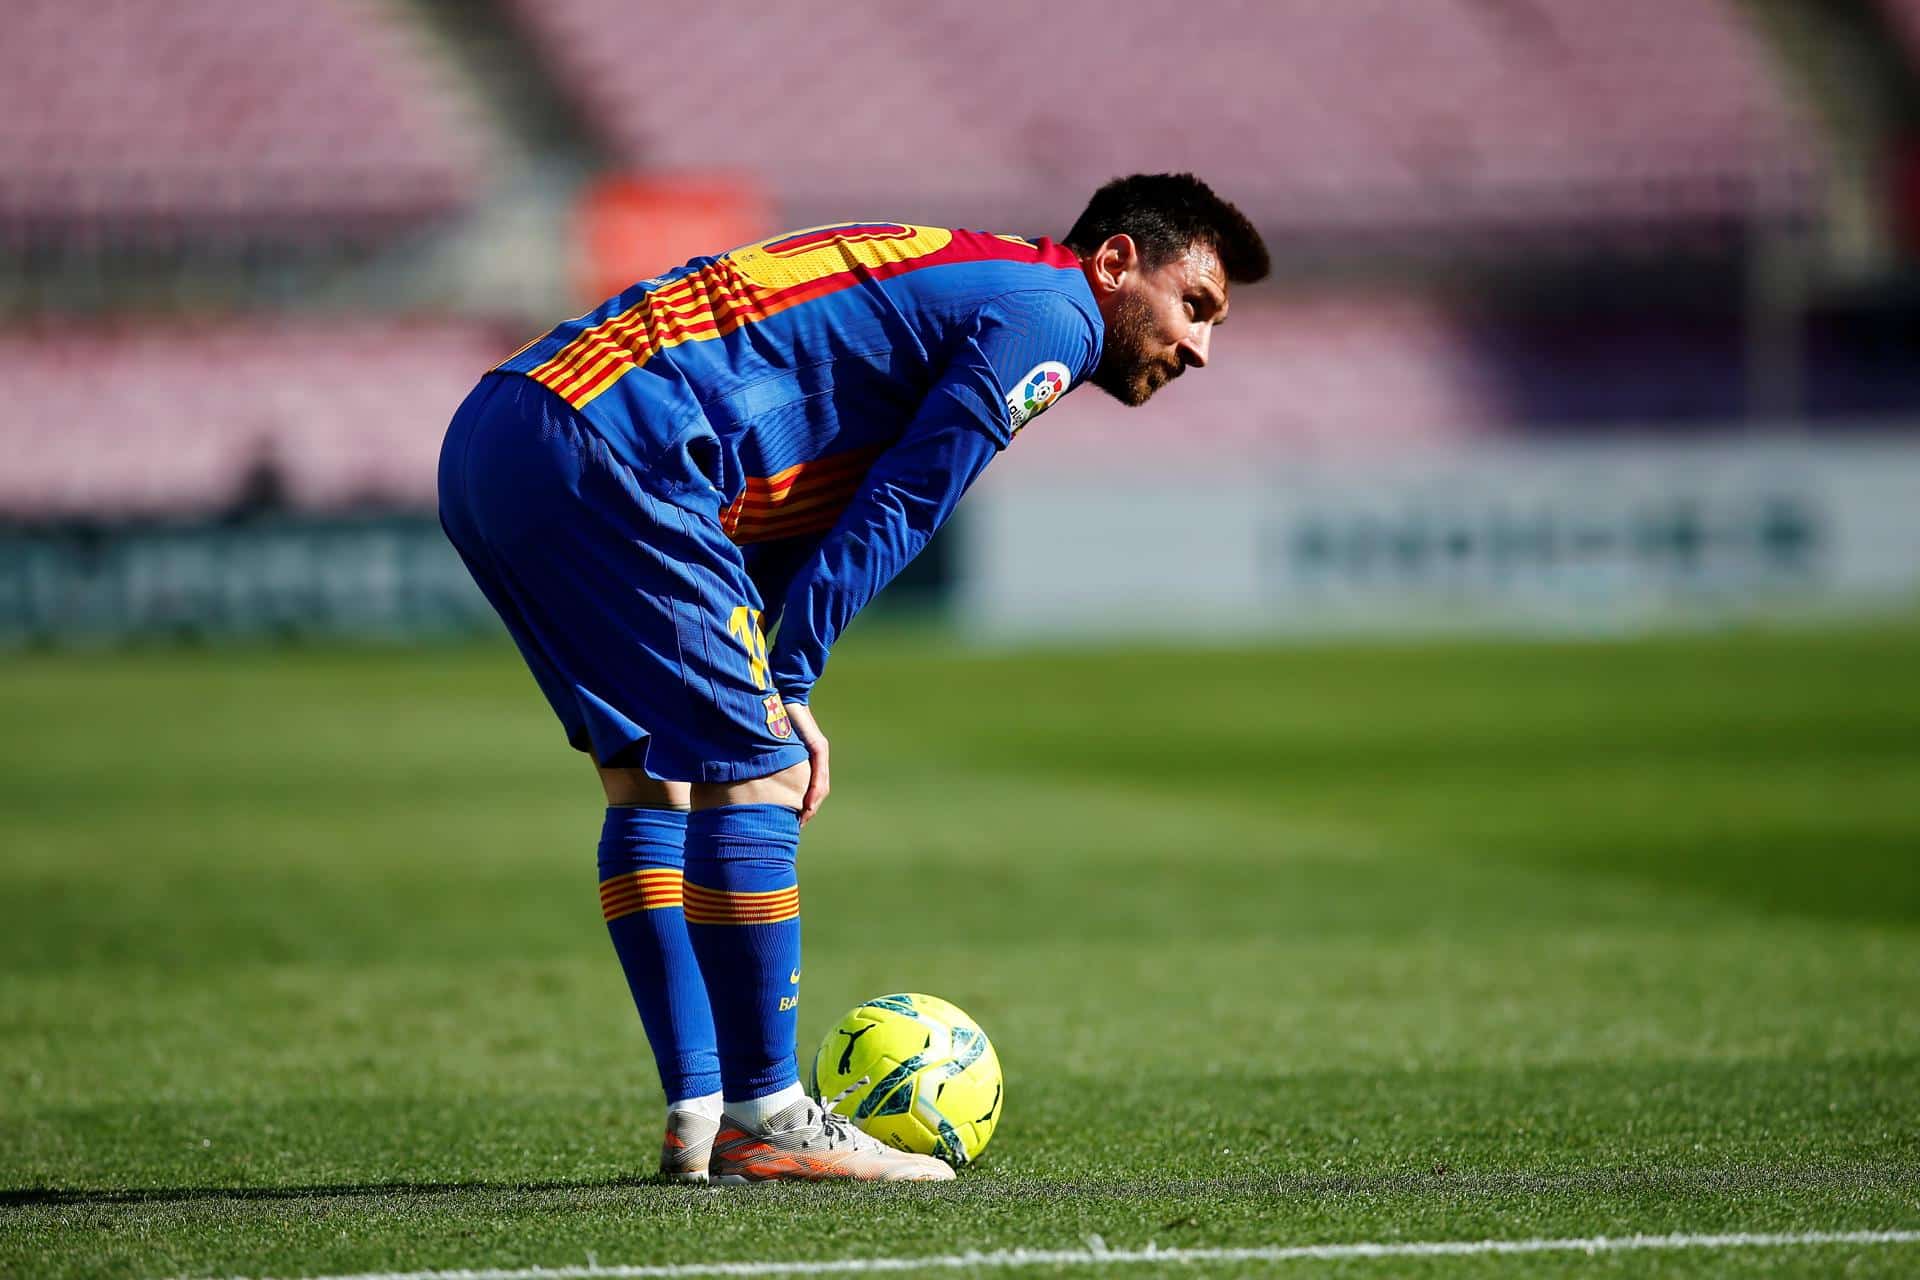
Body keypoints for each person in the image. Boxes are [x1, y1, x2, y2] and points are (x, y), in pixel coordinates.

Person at [437, 173, 1270, 1184]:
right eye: (1195, 307)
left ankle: (701, 1107)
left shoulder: (971, 273)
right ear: (1114, 264)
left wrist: (772, 663)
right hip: (631, 448)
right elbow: (907, 498)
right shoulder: (1052, 314)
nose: (1200, 348)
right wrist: (788, 678)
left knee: (655, 775)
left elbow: (792, 498)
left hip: (507, 430)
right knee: (761, 770)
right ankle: (767, 1114)